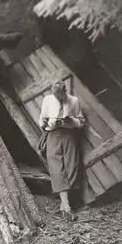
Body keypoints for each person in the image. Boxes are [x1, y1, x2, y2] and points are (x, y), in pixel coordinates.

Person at [39, 79, 85, 220]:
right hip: (53, 134)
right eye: (55, 96)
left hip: (69, 135)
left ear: (65, 91)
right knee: (55, 167)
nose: (58, 98)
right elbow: (41, 119)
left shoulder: (74, 101)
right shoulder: (47, 100)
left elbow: (81, 122)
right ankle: (67, 206)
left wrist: (71, 121)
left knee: (71, 166)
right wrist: (45, 121)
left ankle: (64, 205)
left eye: (60, 96)